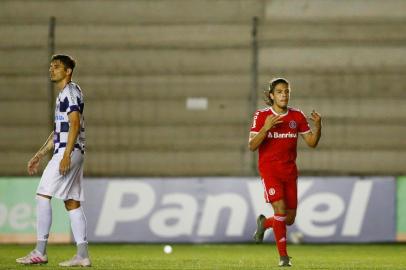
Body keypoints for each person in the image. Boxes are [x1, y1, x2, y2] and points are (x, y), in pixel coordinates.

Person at [16, 54, 91, 267]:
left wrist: (66, 155)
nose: (52, 70)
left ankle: (40, 251)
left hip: (68, 152)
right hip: (72, 151)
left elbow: (75, 124)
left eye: (56, 67)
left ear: (68, 71)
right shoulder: (64, 95)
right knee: (72, 203)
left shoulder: (70, 92)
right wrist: (39, 154)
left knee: (42, 195)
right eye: (50, 66)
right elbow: (60, 130)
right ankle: (82, 255)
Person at [249, 78, 321, 267]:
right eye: (280, 92)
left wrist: (318, 127)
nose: (284, 95)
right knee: (280, 210)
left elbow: (312, 143)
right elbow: (252, 145)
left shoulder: (297, 116)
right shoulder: (261, 115)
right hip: (270, 170)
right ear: (272, 95)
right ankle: (283, 257)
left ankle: (264, 224)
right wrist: (266, 128)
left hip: (289, 172)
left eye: (287, 91)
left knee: (288, 219)